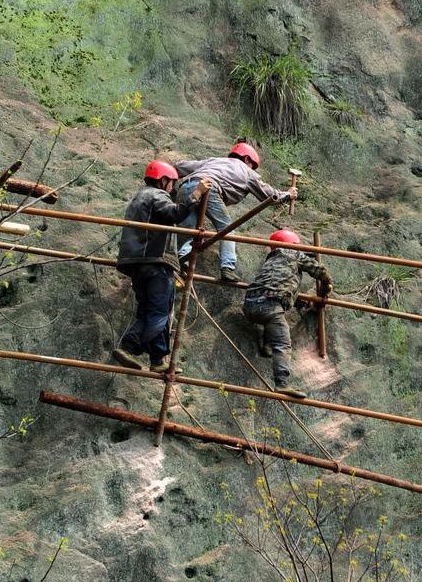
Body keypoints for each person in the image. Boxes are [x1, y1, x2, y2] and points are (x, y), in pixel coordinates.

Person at [112, 161, 210, 372]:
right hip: (155, 261)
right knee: (160, 312)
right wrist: (196, 193)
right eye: (171, 183)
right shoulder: (156, 195)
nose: (172, 189)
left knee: (148, 310)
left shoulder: (138, 198)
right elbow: (175, 214)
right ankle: (128, 346)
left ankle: (157, 358)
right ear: (163, 180)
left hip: (137, 263)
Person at [175, 141, 296, 282]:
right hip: (209, 188)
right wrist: (288, 194)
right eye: (253, 166)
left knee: (191, 229)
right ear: (247, 159)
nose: (253, 169)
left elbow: (180, 166)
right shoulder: (247, 171)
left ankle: (184, 258)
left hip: (186, 188)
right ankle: (227, 267)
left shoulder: (215, 161)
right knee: (226, 228)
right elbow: (268, 194)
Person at [241, 229, 332, 398]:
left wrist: (300, 303)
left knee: (273, 319)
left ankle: (267, 345)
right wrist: (327, 286)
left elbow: (280, 285)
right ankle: (282, 384)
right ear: (294, 245)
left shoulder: (271, 261)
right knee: (283, 343)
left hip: (250, 305)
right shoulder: (293, 254)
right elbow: (319, 270)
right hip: (270, 306)